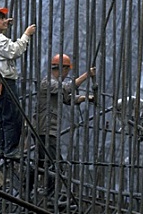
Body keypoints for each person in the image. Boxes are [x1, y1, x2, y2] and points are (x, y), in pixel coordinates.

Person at [34, 53, 96, 197]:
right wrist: (87, 75)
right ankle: (47, 195)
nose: (68, 73)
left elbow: (68, 99)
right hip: (45, 128)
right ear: (63, 69)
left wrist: (86, 98)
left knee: (42, 162)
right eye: (67, 70)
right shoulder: (48, 82)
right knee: (54, 164)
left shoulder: (56, 84)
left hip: (48, 129)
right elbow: (66, 88)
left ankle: (30, 188)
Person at [0, 5, 36, 160]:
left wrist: (4, 25)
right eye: (1, 19)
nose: (5, 21)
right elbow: (14, 51)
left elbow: (1, 45)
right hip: (5, 82)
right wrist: (26, 35)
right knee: (12, 116)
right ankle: (10, 149)